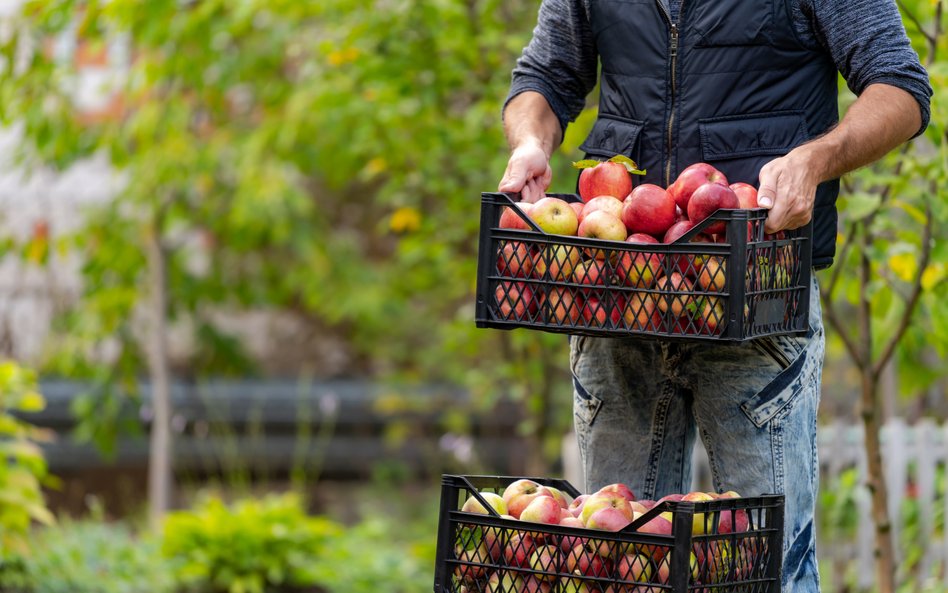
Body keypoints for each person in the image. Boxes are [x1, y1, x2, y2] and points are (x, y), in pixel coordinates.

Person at [497, 1, 932, 591]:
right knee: (613, 570)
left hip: (758, 301)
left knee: (764, 573)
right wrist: (530, 143)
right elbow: (545, 78)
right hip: (617, 297)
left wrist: (815, 159)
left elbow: (899, 87)